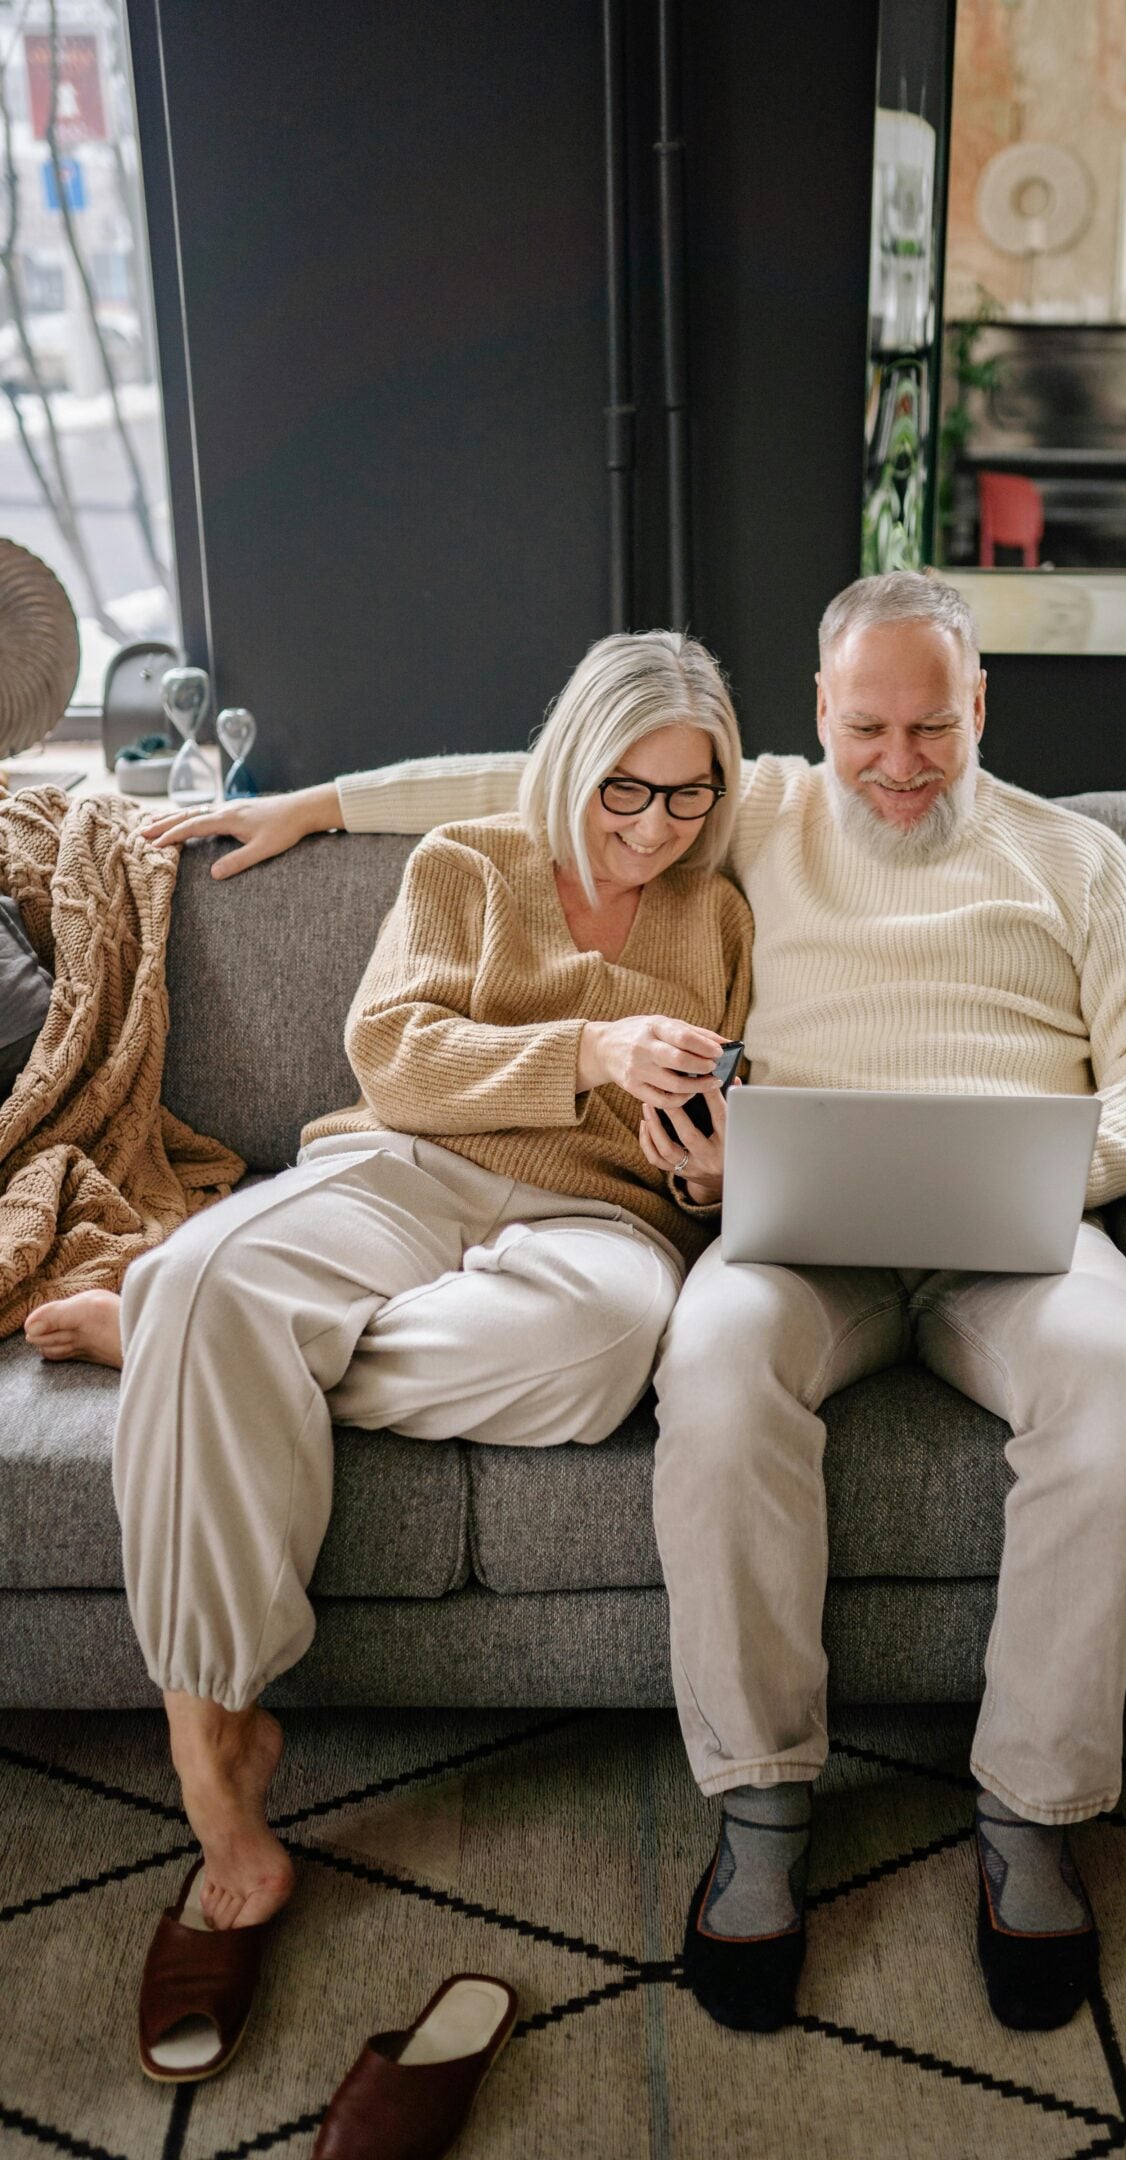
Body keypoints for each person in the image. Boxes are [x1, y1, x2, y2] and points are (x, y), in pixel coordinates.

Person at [127, 574, 1126, 2037]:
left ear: (982, 709)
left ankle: (1030, 1809)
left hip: (1022, 1226)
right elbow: (543, 785)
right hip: (794, 1230)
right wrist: (318, 803)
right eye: (867, 728)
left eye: (934, 727)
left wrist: (1065, 1167)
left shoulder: (1078, 861)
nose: (898, 762)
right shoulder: (755, 810)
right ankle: (763, 1805)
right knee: (704, 1370)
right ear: (819, 714)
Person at [27, 629, 751, 1957]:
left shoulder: (721, 915)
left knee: (606, 1347)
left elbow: (725, 1147)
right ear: (575, 764)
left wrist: (704, 1177)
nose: (656, 825)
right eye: (625, 789)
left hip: (601, 1217)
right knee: (201, 1269)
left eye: (689, 793)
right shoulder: (469, 860)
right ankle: (213, 1733)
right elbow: (397, 1056)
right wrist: (590, 1044)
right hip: (405, 1166)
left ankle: (198, 1347)